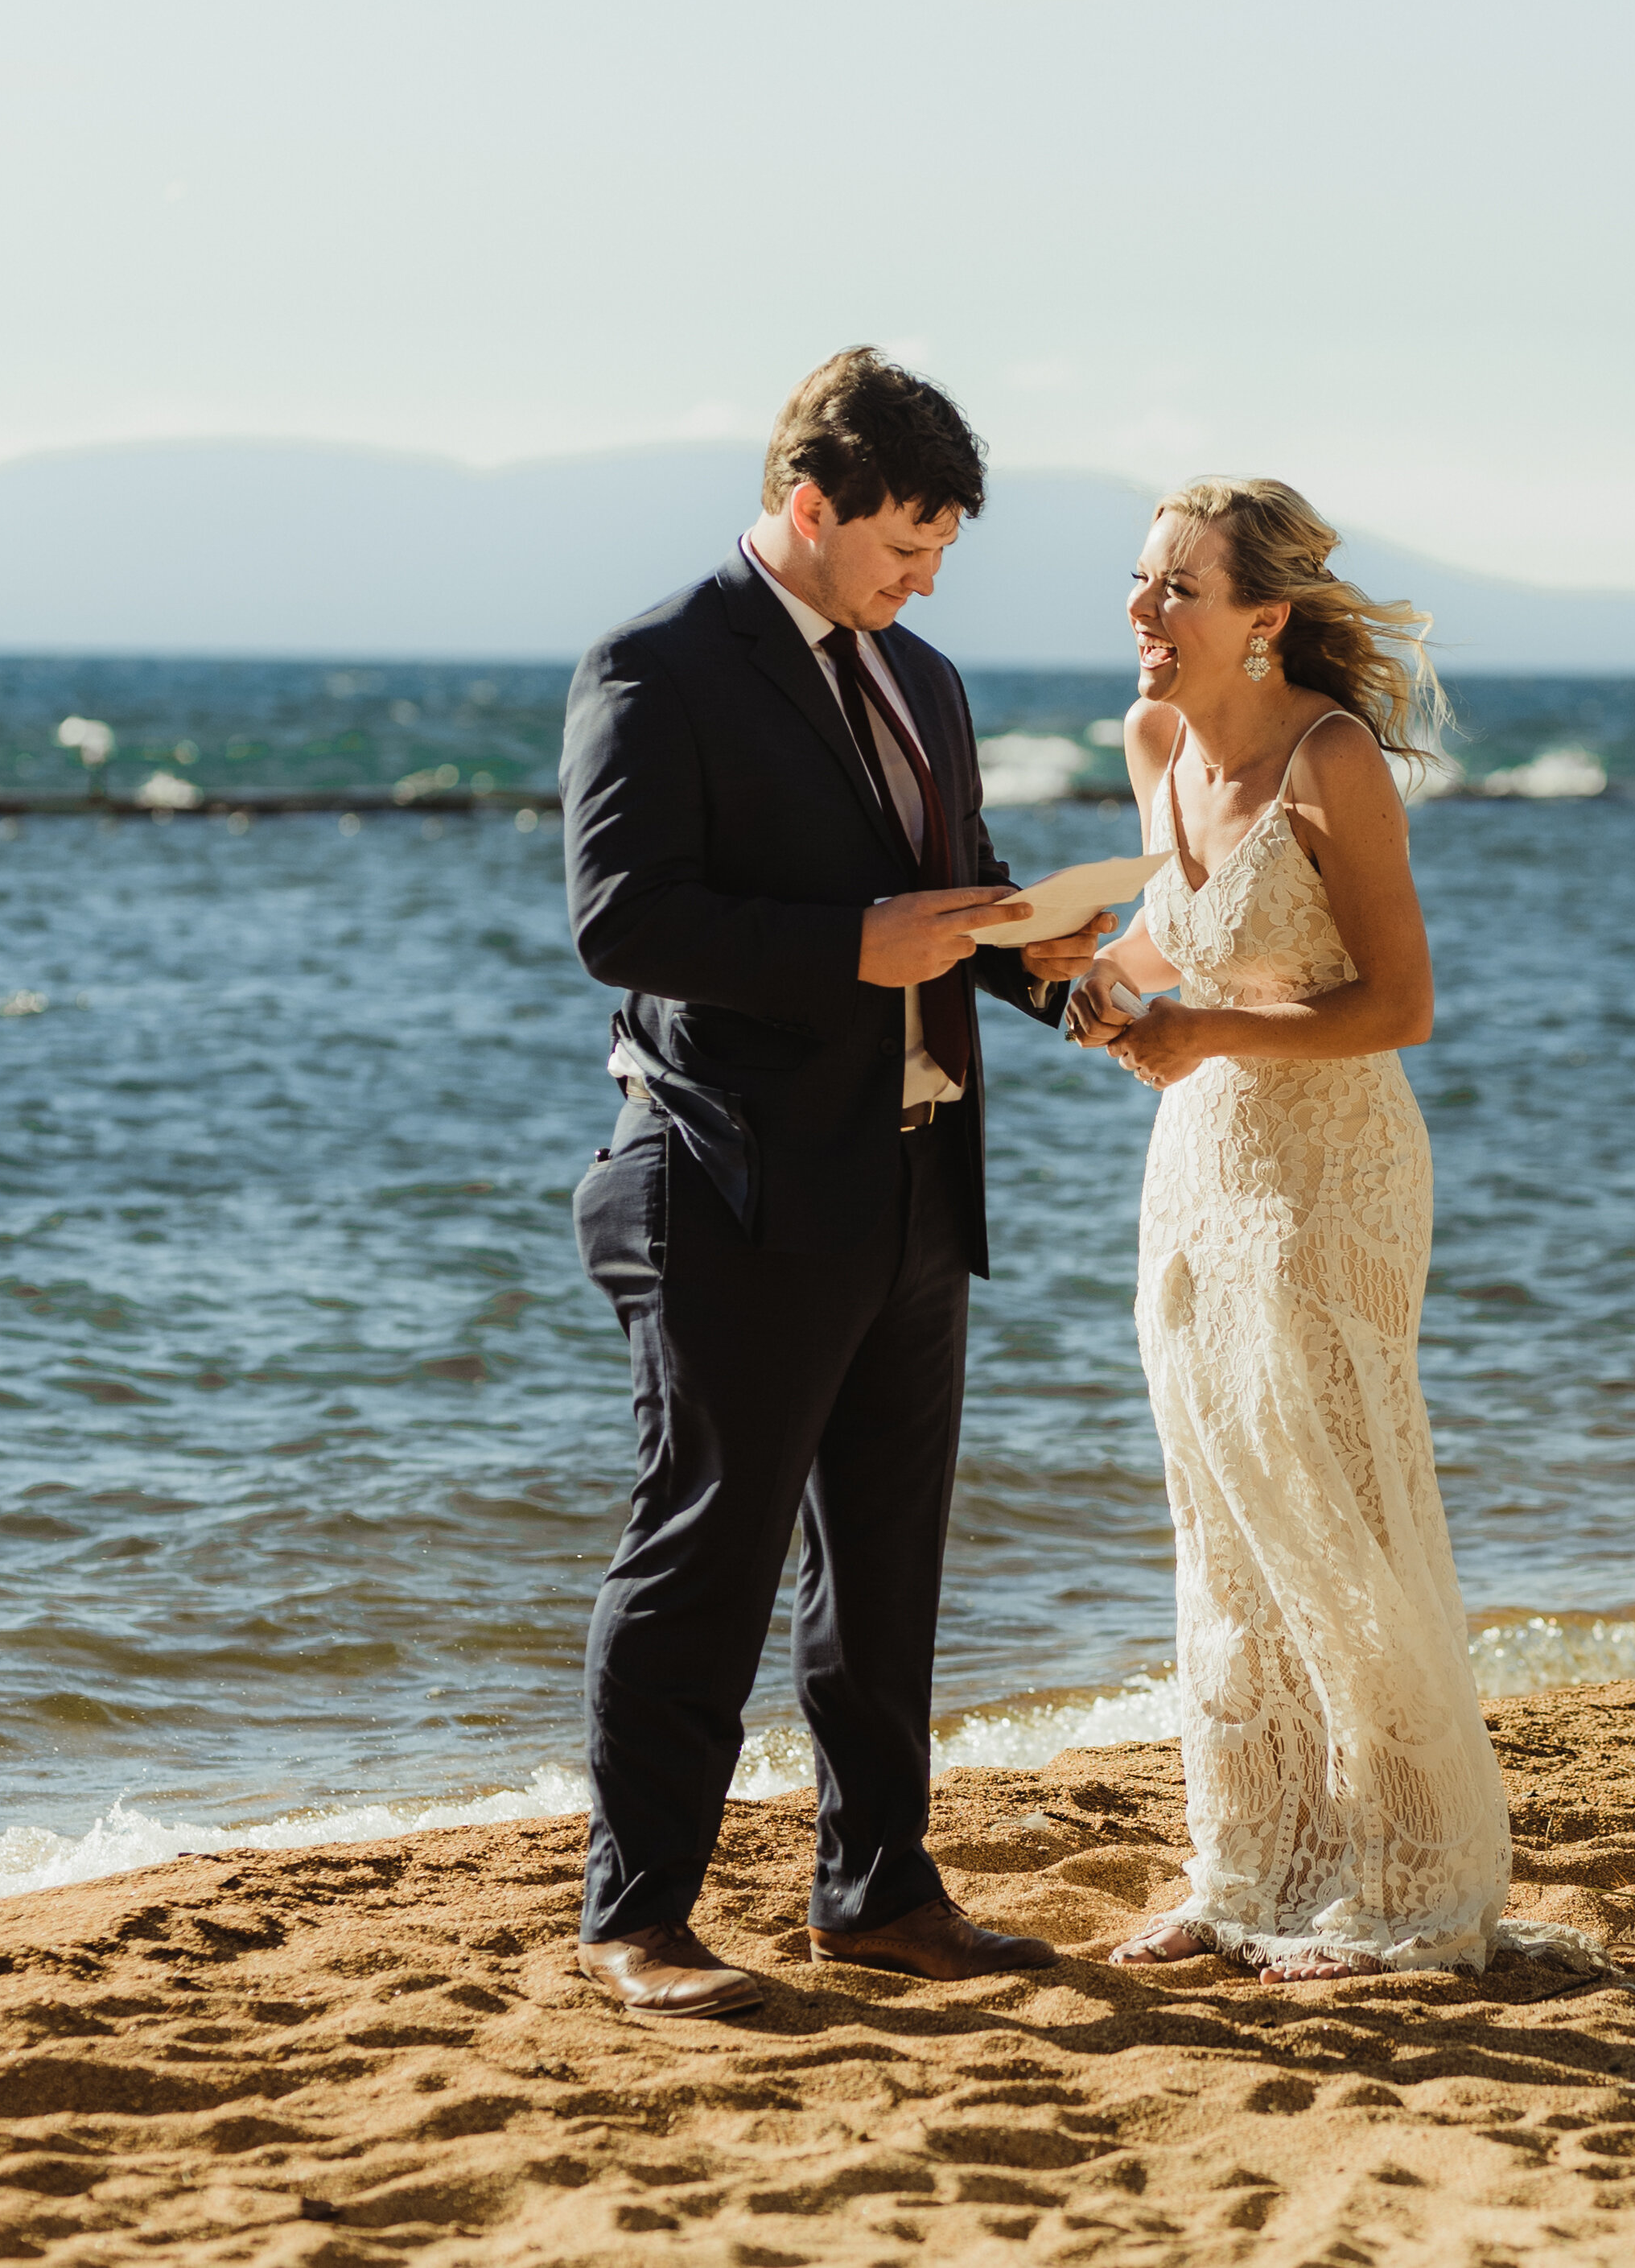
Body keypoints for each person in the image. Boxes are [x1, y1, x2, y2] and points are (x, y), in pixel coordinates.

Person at [560, 348, 1113, 2019]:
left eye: (940, 550)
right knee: (704, 1551)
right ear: (809, 506)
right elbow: (622, 918)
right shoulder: (657, 664)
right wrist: (846, 949)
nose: (922, 577)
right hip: (724, 1178)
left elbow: (955, 891)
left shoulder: (924, 678)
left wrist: (1052, 969)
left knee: (883, 1570)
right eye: (901, 545)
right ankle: (637, 1918)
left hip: (914, 1184)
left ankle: (875, 1893)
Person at [1067, 476, 1520, 1980]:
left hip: (1334, 1171)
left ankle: (1410, 1884)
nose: (1143, 610)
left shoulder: (1333, 760)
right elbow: (1171, 944)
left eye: (1175, 588)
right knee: (1223, 1510)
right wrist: (1087, 971)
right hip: (1195, 1160)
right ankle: (1245, 1865)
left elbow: (1401, 1004)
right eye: (1139, 581)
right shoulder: (1152, 743)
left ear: (1262, 617)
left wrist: (1202, 1025)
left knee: (1336, 1502)